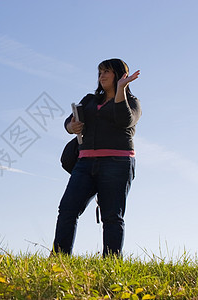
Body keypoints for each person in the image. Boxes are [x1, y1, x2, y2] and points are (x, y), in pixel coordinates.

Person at [52, 58, 141, 257]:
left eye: (107, 71)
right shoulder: (90, 100)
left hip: (117, 163)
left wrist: (120, 90)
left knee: (112, 216)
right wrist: (70, 126)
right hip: (85, 163)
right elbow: (70, 120)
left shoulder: (133, 103)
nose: (101, 76)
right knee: (67, 209)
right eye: (100, 72)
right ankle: (59, 258)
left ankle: (110, 262)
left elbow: (125, 119)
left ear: (120, 75)